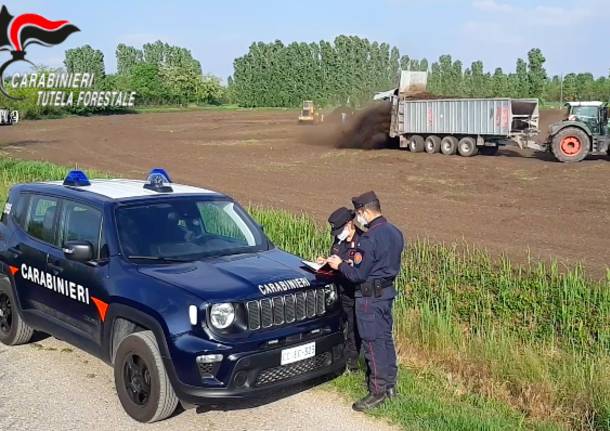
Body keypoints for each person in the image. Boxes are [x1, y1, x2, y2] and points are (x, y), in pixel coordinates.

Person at [327, 191, 404, 412]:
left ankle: (376, 391)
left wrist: (339, 265)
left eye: (358, 213)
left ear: (363, 212)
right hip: (387, 293)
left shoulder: (370, 238)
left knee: (371, 344)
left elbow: (357, 275)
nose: (358, 218)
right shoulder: (395, 232)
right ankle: (390, 386)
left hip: (369, 298)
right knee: (385, 341)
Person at [318, 207, 361, 372]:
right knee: (338, 326)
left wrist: (341, 265)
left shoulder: (362, 241)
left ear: (349, 224)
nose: (336, 234)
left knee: (353, 330)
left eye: (338, 229)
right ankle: (335, 358)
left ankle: (352, 364)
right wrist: (325, 262)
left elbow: (360, 271)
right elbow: (335, 258)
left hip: (353, 293)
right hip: (338, 291)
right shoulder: (339, 241)